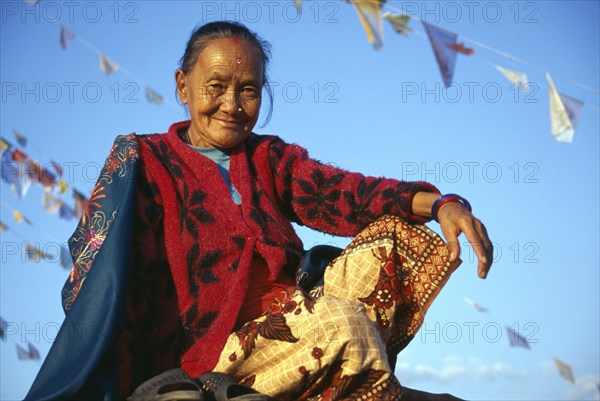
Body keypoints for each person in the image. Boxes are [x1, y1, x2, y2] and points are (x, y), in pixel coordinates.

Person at [25, 21, 492, 401]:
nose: (232, 104)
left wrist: (442, 204)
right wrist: (150, 382)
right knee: (343, 322)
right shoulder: (144, 161)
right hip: (206, 356)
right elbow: (110, 277)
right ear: (182, 85)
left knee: (393, 235)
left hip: (296, 322)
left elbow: (344, 192)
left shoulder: (269, 158)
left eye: (248, 90)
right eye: (216, 86)